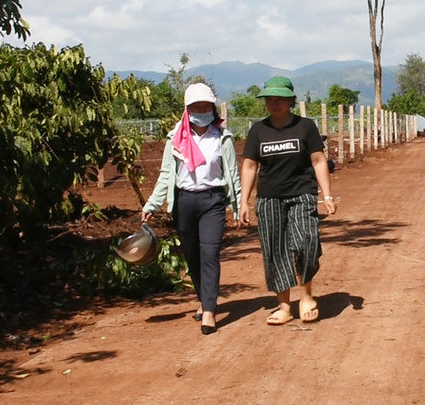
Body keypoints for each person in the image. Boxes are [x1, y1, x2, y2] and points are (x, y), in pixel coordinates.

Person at [142, 83, 241, 335]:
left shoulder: (222, 137)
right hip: (184, 202)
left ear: (213, 108)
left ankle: (209, 310)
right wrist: (153, 203)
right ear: (187, 109)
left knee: (210, 253)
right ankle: (202, 298)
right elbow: (167, 174)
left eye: (206, 106)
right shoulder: (175, 138)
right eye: (196, 107)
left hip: (213, 201)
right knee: (193, 256)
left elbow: (233, 174)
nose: (202, 111)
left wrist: (239, 206)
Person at [238, 76, 337, 326]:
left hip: (302, 194)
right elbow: (250, 166)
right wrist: (243, 201)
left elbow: (318, 161)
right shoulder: (258, 130)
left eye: (280, 99)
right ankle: (284, 306)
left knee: (306, 241)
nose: (274, 103)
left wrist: (326, 195)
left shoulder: (306, 127)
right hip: (269, 198)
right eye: (269, 99)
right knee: (275, 250)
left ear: (291, 100)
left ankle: (307, 296)